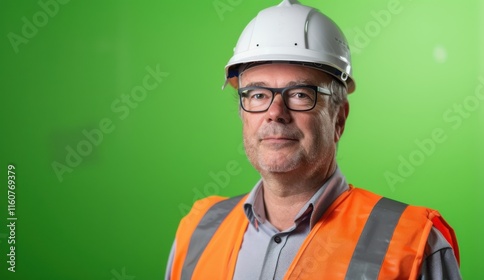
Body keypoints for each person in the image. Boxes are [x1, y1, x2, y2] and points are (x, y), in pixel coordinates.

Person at [165, 0, 461, 279]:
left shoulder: (413, 242)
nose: (275, 113)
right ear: (243, 114)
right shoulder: (198, 231)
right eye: (257, 94)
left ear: (339, 118)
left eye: (300, 94)